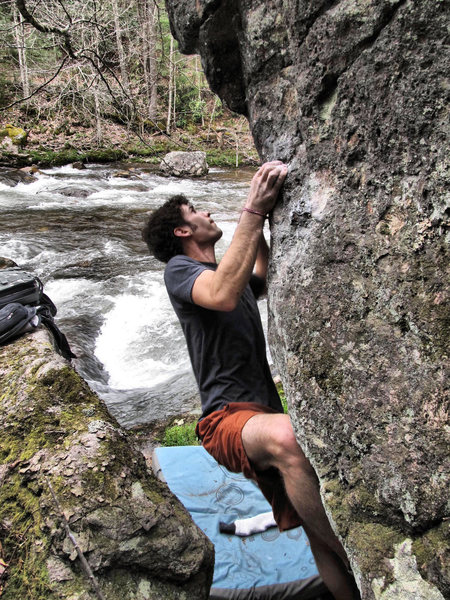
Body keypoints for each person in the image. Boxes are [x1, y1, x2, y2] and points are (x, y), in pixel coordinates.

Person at [142, 161, 359, 600]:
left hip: (263, 409)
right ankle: (360, 557)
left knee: (312, 533)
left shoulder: (229, 274)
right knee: (289, 440)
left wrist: (270, 221)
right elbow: (220, 294)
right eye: (196, 211)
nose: (207, 214)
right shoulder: (181, 273)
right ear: (183, 231)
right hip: (225, 420)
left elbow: (256, 277)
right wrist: (252, 210)